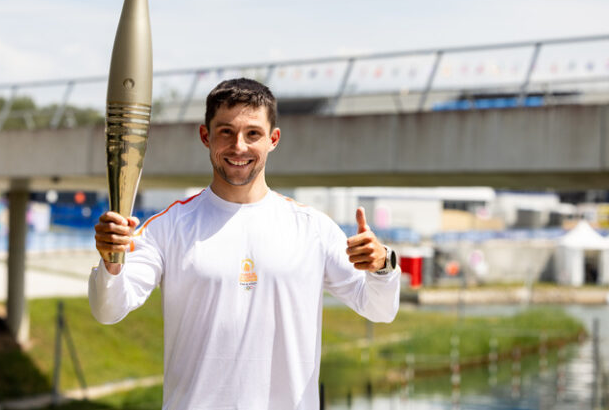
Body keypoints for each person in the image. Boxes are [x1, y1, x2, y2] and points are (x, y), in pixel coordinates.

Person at [89, 78, 400, 410]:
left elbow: (380, 309)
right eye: (225, 132)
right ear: (205, 136)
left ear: (273, 139)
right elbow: (108, 310)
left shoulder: (314, 229)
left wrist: (383, 264)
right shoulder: (167, 227)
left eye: (253, 134)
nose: (238, 146)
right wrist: (112, 262)